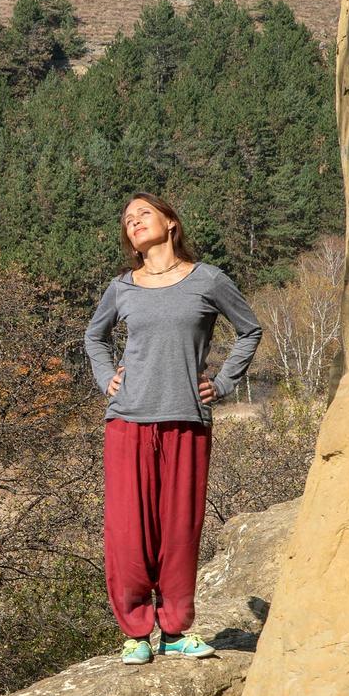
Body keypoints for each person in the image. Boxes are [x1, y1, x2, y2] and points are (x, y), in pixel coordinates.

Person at [83, 192, 263, 665]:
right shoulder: (122, 287)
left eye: (144, 214)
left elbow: (250, 330)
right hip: (128, 419)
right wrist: (107, 378)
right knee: (128, 531)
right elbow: (94, 337)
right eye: (128, 220)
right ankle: (138, 632)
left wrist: (223, 384)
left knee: (179, 527)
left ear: (171, 223)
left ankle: (177, 629)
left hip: (187, 418)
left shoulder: (207, 280)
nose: (134, 222)